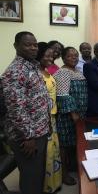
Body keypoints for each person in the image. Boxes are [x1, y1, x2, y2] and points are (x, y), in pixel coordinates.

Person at [0, 31, 50, 194]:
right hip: (27, 137)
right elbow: (16, 108)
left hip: (38, 131)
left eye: (35, 44)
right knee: (31, 180)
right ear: (16, 46)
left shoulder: (32, 65)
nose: (33, 48)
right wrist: (28, 136)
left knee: (36, 176)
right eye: (27, 44)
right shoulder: (15, 71)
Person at [53, 47, 88, 185]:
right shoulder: (62, 72)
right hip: (68, 116)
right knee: (65, 146)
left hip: (80, 114)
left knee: (75, 144)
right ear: (63, 58)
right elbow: (63, 95)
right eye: (70, 56)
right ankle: (64, 174)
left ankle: (74, 167)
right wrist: (73, 114)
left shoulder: (77, 71)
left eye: (76, 56)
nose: (74, 58)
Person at [36, 42, 62, 193]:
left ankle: (54, 184)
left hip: (52, 117)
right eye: (46, 55)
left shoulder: (46, 71)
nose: (50, 58)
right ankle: (47, 187)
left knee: (54, 152)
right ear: (39, 55)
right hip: (43, 120)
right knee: (47, 155)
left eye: (51, 56)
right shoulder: (36, 74)